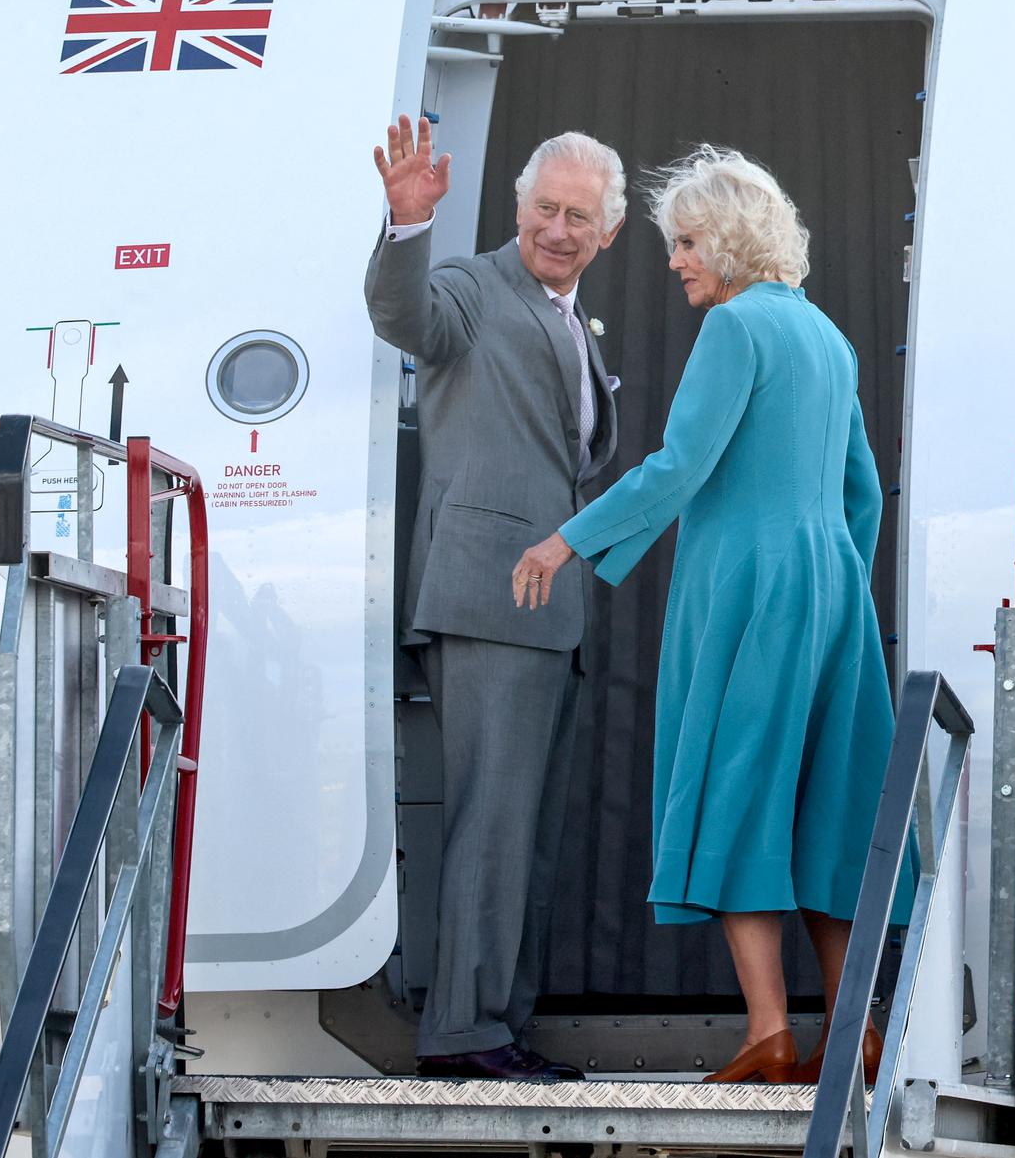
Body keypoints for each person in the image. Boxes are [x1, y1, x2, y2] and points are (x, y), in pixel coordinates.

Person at [511, 146, 899, 1085]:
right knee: (828, 801)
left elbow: (679, 466)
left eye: (686, 242)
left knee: (737, 788)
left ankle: (768, 1030)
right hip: (832, 587)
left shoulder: (735, 331)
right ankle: (859, 1033)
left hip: (744, 588)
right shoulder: (829, 337)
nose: (677, 260)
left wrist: (567, 541)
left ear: (726, 240)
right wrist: (832, 579)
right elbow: (866, 495)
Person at [365, 116, 624, 1081]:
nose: (559, 228)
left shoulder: (572, 320)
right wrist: (404, 228)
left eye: (579, 216)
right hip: (487, 595)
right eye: (545, 208)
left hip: (548, 608)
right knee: (493, 817)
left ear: (610, 233)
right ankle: (464, 1033)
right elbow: (407, 317)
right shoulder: (475, 287)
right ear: (518, 208)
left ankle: (501, 1024)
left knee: (530, 831)